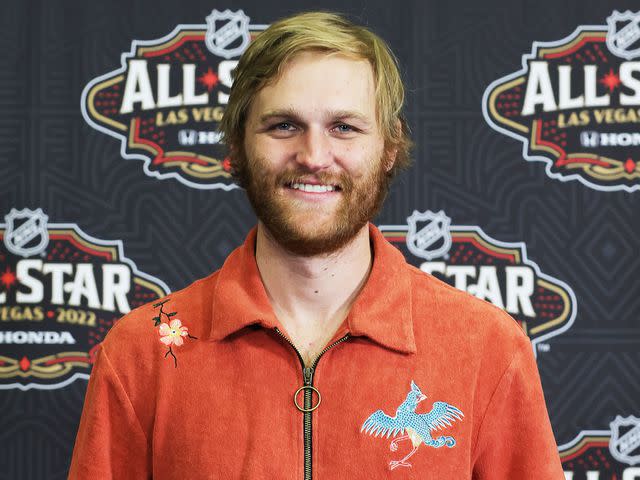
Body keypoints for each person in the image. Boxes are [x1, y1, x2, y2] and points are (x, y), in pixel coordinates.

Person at [69, 11, 564, 479]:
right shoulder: (143, 352)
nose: (313, 156)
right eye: (284, 125)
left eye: (344, 128)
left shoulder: (487, 348)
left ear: (389, 146)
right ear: (238, 144)